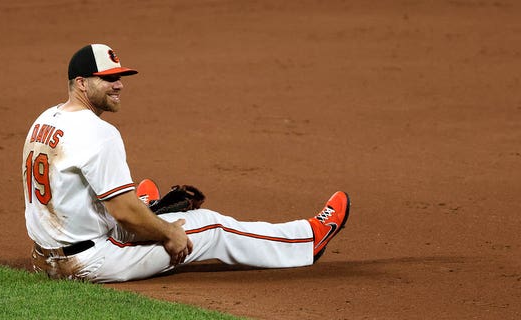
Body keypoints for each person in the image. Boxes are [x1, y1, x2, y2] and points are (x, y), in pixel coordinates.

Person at [22, 43, 351, 283]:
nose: (119, 84)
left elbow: (68, 194)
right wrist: (168, 233)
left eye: (119, 77)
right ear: (81, 83)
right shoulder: (98, 132)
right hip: (90, 262)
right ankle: (308, 238)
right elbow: (121, 210)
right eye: (108, 79)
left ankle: (146, 209)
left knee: (133, 208)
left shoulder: (45, 120)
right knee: (210, 226)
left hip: (44, 255)